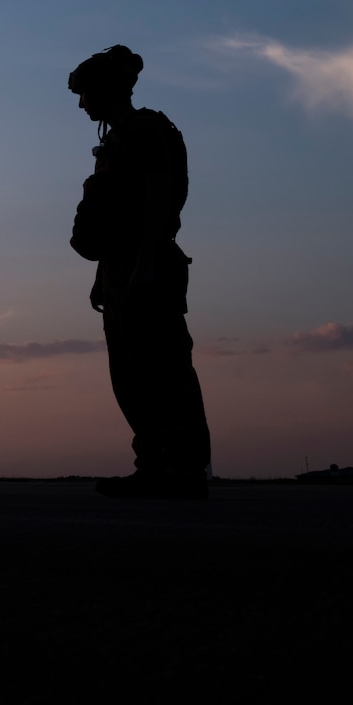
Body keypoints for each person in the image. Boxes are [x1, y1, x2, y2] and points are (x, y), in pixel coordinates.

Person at [68, 45, 212, 499]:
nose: (81, 102)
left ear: (106, 88)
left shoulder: (146, 129)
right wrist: (102, 275)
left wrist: (146, 264)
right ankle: (153, 466)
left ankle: (184, 471)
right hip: (120, 267)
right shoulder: (115, 141)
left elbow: (159, 200)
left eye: (86, 91)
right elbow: (112, 215)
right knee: (130, 376)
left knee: (163, 370)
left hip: (146, 265)